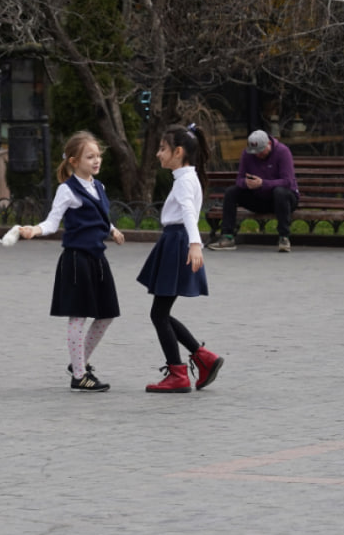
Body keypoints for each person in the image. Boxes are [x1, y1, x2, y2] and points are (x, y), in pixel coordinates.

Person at [18, 131, 124, 392]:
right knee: (78, 316)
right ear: (74, 161)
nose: (97, 160)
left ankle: (78, 362)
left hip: (97, 258)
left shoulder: (99, 186)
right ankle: (79, 375)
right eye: (90, 157)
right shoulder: (67, 190)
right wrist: (34, 230)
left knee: (107, 314)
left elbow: (100, 215)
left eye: (98, 155)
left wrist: (112, 230)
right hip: (76, 260)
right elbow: (52, 223)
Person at [137, 123, 225, 394]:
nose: (158, 154)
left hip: (178, 242)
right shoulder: (186, 177)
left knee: (159, 313)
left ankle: (178, 373)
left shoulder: (186, 181)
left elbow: (188, 210)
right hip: (175, 241)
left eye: (162, 149)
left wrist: (195, 244)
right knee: (160, 312)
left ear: (178, 152)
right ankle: (203, 358)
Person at [207, 129, 299, 252]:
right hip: (258, 197)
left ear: (269, 144)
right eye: (254, 152)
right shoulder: (247, 154)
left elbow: (287, 181)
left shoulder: (282, 152)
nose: (257, 155)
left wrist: (263, 183)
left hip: (284, 200)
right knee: (231, 192)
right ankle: (227, 236)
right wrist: (246, 183)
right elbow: (239, 179)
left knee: (280, 192)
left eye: (260, 151)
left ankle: (284, 237)